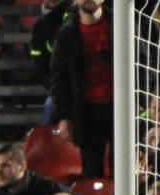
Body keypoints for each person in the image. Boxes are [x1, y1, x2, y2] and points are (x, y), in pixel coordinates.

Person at [50, 0, 114, 179]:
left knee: (123, 169)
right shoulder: (66, 33)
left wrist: (138, 103)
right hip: (87, 110)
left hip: (120, 107)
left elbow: (142, 63)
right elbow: (59, 77)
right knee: (91, 171)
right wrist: (63, 116)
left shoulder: (122, 24)